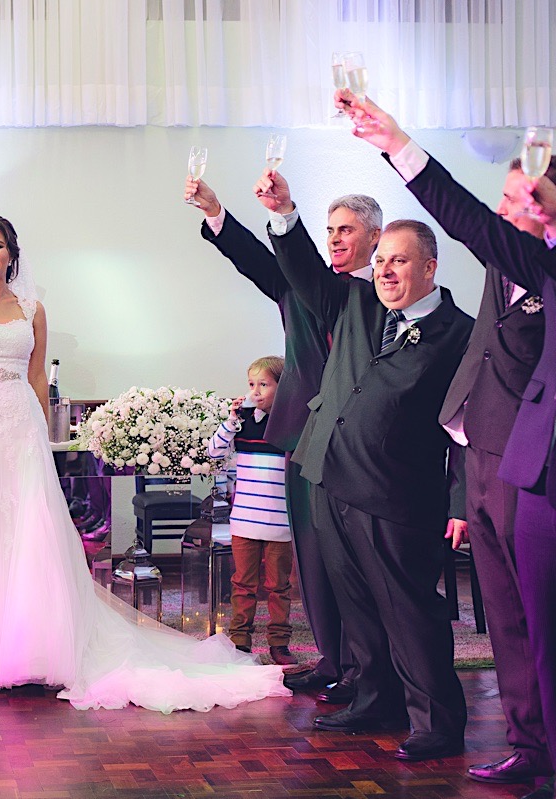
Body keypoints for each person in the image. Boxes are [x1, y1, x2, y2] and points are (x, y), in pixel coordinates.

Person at [0, 196, 291, 709]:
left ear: (11, 255)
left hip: (20, 426)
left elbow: (35, 379)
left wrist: (41, 433)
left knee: (31, 529)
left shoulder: (32, 310)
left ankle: (35, 648)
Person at [338, 90, 556, 797]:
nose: (506, 205)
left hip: (532, 470)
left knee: (542, 617)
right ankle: (527, 744)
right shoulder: (503, 273)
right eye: (505, 195)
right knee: (509, 627)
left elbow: (463, 220)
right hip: (485, 461)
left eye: (524, 196)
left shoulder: (545, 269)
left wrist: (401, 146)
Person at [262, 166, 473, 761]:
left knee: (410, 614)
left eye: (398, 261)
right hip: (330, 478)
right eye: (379, 260)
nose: (384, 270)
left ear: (429, 268)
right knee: (356, 606)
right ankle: (374, 698)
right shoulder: (354, 302)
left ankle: (437, 722)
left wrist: (460, 505)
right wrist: (284, 214)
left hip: (397, 496)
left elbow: (466, 430)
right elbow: (302, 269)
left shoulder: (459, 334)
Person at [187, 176, 379, 703]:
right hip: (301, 439)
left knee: (356, 562)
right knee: (315, 560)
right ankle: (332, 658)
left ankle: (367, 667)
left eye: (348, 230)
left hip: (359, 444)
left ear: (376, 238)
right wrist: (217, 211)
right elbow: (255, 259)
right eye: (331, 230)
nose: (337, 238)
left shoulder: (383, 293)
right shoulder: (297, 285)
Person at [206, 356, 296, 666]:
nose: (255, 391)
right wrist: (231, 421)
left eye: (264, 384)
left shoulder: (292, 422)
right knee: (243, 583)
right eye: (251, 384)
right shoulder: (242, 423)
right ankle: (240, 639)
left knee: (278, 585)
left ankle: (279, 642)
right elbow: (214, 451)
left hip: (281, 519)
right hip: (245, 518)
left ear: (282, 387)